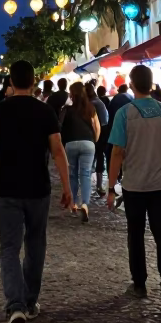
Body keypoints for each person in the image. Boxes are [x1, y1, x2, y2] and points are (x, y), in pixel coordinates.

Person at [0, 60, 73, 323]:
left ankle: (15, 305)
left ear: (10, 81)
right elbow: (57, 150)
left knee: (8, 248)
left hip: (8, 187)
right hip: (38, 187)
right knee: (35, 244)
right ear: (33, 81)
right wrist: (66, 187)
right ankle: (30, 302)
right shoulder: (44, 111)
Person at [107, 64, 161, 311]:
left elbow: (117, 151)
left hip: (135, 184)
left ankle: (139, 283)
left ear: (131, 83)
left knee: (135, 235)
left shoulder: (125, 114)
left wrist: (109, 187)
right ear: (151, 84)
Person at [60, 82, 100, 222]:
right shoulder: (91, 108)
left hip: (71, 143)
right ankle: (85, 204)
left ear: (72, 94)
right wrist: (93, 141)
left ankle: (73, 203)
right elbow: (97, 127)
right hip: (88, 143)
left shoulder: (67, 109)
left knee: (72, 174)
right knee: (86, 174)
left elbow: (61, 128)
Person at [104, 82, 133, 201]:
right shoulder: (131, 99)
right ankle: (122, 178)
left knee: (114, 154)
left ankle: (114, 181)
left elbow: (109, 116)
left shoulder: (115, 99)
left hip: (114, 131)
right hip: (129, 133)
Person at [92, 84, 110, 196]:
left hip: (98, 132)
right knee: (100, 156)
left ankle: (98, 184)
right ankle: (99, 185)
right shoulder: (101, 102)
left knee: (97, 156)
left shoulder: (92, 103)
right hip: (103, 132)